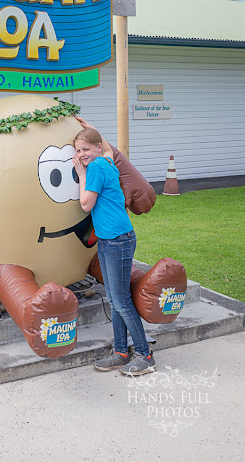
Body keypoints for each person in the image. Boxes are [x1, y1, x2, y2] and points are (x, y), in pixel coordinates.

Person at [72, 117, 156, 376]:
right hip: (112, 239)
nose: (81, 154)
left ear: (96, 148)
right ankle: (120, 352)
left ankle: (145, 355)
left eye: (86, 149)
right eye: (78, 150)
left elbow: (85, 204)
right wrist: (91, 127)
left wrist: (81, 174)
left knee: (121, 301)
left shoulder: (96, 167)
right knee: (115, 299)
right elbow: (108, 148)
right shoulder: (107, 160)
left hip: (117, 240)